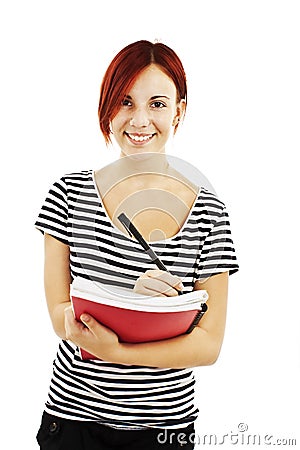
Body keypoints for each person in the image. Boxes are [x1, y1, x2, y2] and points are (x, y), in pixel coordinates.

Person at [35, 40, 239, 450]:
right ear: (108, 106)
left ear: (179, 110)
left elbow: (208, 345)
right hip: (73, 424)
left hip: (165, 430)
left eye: (158, 104)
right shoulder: (68, 195)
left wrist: (121, 348)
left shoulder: (209, 213)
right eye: (125, 101)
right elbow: (60, 316)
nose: (140, 119)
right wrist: (131, 306)